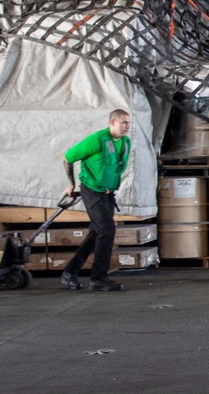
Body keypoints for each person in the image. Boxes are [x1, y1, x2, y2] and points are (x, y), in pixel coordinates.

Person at [60, 109, 132, 292]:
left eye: (128, 123)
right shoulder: (97, 140)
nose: (127, 126)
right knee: (107, 230)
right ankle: (98, 278)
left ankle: (69, 273)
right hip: (91, 191)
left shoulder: (125, 142)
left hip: (107, 194)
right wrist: (71, 184)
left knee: (96, 234)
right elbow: (67, 158)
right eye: (123, 122)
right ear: (112, 123)